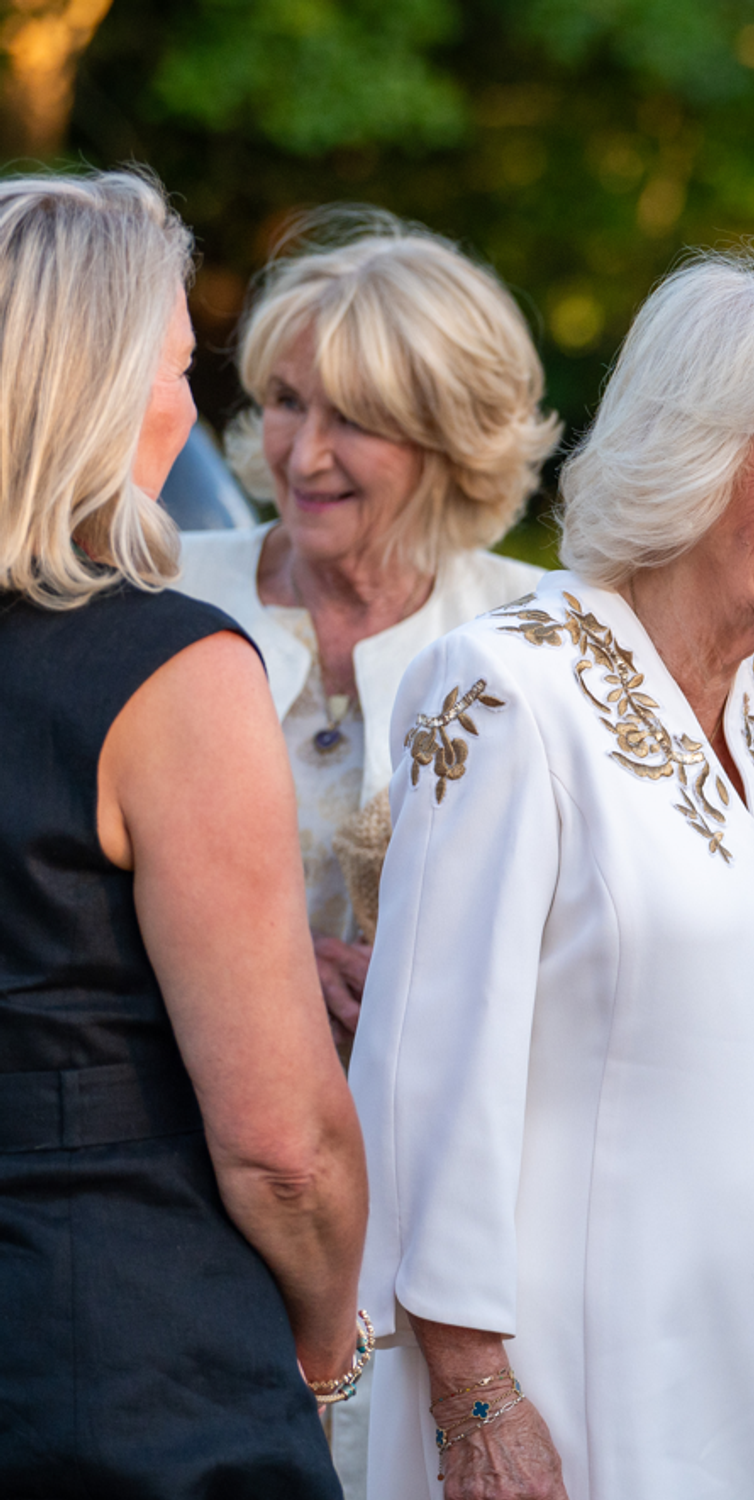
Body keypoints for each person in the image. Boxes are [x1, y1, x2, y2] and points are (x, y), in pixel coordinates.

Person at [347, 242, 754, 1499]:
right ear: (693, 453)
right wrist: (475, 1394)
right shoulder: (508, 686)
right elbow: (424, 1075)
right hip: (564, 1368)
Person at [0, 171, 368, 1495]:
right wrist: (326, 1351)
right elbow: (283, 1143)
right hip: (118, 1355)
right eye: (171, 364)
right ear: (88, 391)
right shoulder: (167, 674)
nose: (187, 406)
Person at [177, 212, 560, 1054]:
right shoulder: (163, 589)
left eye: (354, 418)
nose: (305, 456)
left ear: (451, 436)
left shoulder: (543, 637)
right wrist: (255, 970)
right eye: (286, 402)